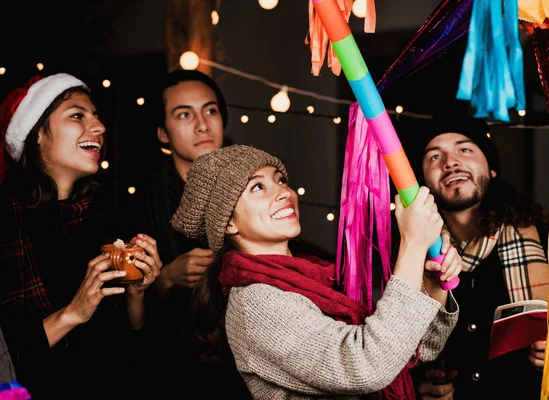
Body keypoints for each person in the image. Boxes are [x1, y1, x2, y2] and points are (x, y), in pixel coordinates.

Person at [170, 144, 461, 399]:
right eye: (257, 187)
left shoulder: (321, 276)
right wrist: (412, 245)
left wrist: (430, 281)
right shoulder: (255, 303)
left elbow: (410, 351)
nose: (283, 192)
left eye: (280, 180)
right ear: (228, 223)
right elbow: (367, 366)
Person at [0, 73, 162, 399]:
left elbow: (134, 342)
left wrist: (137, 293)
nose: (99, 128)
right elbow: (7, 360)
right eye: (78, 115)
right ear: (37, 136)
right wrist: (73, 312)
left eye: (96, 116)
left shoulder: (110, 222)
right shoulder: (6, 226)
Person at [406, 114, 549, 400]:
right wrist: (419, 384)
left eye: (465, 149)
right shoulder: (409, 257)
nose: (450, 162)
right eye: (434, 157)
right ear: (422, 182)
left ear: (492, 169)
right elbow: (393, 346)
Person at [137, 69, 250, 398]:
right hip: (176, 372)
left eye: (210, 110)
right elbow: (126, 319)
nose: (203, 124)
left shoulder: (252, 183)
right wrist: (167, 277)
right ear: (162, 133)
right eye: (184, 114)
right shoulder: (145, 204)